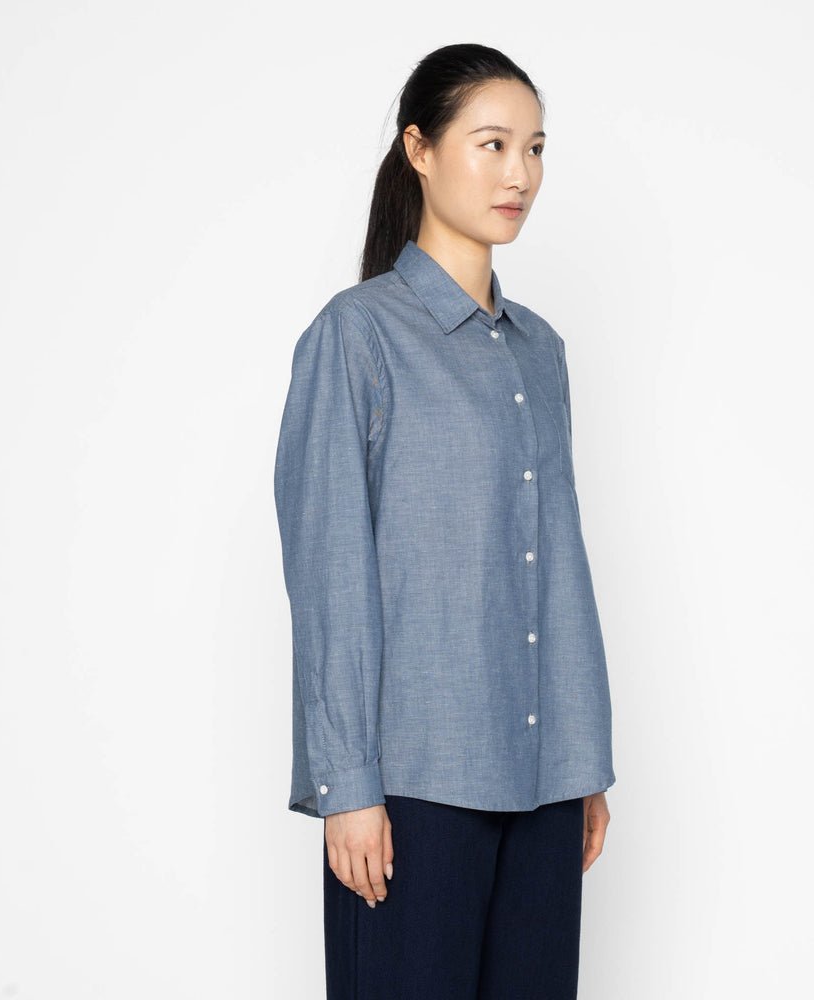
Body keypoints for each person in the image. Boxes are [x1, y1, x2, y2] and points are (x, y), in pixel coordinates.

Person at [273, 42, 616, 1000]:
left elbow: (558, 565)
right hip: (414, 786)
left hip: (545, 780)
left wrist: (585, 760)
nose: (520, 175)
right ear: (419, 150)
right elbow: (331, 572)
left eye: (535, 149)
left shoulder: (541, 352)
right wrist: (348, 785)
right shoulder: (357, 336)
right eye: (493, 144)